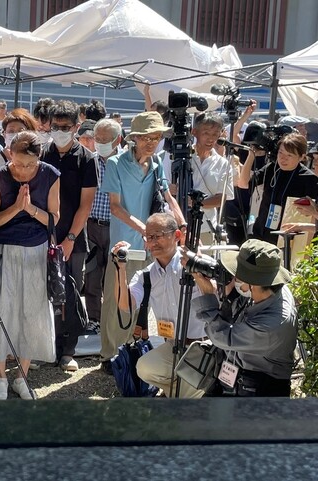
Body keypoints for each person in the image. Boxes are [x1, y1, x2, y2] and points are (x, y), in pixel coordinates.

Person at [100, 111, 186, 374]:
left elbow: (166, 198)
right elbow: (115, 207)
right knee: (116, 299)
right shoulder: (115, 163)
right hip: (125, 244)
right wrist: (146, 231)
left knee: (145, 300)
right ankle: (109, 354)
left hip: (153, 243)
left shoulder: (158, 163)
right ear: (133, 138)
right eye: (146, 137)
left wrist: (180, 222)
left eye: (156, 137)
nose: (151, 142)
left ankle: (133, 351)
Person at [0, 131, 60, 399]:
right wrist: (16, 208)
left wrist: (30, 210)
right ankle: (0, 377)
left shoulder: (50, 174)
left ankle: (22, 376)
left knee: (32, 310)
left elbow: (54, 218)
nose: (23, 169)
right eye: (17, 163)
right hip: (3, 249)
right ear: (9, 155)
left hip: (36, 250)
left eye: (30, 164)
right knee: (2, 311)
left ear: (39, 158)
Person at [112, 213, 208, 398]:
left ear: (177, 236)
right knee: (144, 368)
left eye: (158, 235)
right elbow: (125, 306)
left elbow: (212, 293)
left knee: (193, 385)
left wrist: (197, 270)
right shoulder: (146, 275)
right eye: (148, 237)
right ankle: (180, 392)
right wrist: (120, 268)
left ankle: (180, 393)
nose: (152, 242)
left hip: (203, 346)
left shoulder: (193, 263)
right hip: (173, 346)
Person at [191, 239, 297, 397]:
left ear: (252, 283)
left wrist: (208, 293)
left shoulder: (273, 324)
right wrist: (227, 293)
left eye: (237, 274)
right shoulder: (268, 290)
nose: (234, 277)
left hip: (260, 390)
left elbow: (222, 337)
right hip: (234, 377)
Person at [40, 100, 97, 372]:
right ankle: (45, 347)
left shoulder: (87, 158)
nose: (60, 131)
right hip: (43, 235)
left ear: (76, 126)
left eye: (65, 127)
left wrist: (70, 239)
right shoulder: (41, 154)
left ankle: (68, 350)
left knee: (71, 294)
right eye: (55, 126)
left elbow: (86, 204)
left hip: (74, 239)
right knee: (43, 293)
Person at [237, 133, 318, 244]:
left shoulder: (309, 178)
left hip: (289, 237)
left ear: (302, 157)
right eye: (280, 153)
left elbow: (312, 214)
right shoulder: (272, 168)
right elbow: (243, 183)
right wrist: (251, 155)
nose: (283, 158)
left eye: (289, 155)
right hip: (261, 232)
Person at [83, 118, 121, 333]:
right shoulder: (90, 161)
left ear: (118, 140)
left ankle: (112, 319)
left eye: (105, 140)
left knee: (115, 275)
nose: (100, 143)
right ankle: (94, 319)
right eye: (97, 138)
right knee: (92, 275)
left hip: (117, 226)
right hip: (92, 226)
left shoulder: (126, 163)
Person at [188, 112, 234, 245]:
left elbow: (222, 198)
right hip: (180, 225)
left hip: (206, 228)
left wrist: (196, 203)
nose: (210, 139)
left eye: (215, 134)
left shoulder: (223, 163)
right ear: (194, 132)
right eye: (206, 133)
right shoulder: (180, 158)